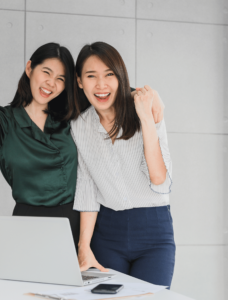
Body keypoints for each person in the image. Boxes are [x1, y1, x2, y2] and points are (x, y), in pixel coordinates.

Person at [71, 42, 175, 288]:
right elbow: (87, 188)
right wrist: (84, 248)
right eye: (91, 76)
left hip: (154, 231)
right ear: (79, 82)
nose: (101, 84)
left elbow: (159, 179)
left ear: (120, 77)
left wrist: (147, 119)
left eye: (109, 74)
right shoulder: (79, 126)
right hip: (107, 234)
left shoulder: (146, 110)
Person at [0, 42, 81, 251]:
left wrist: (138, 96)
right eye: (46, 72)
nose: (51, 83)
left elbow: (105, 97)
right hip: (27, 221)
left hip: (72, 222)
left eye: (60, 79)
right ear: (29, 69)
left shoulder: (70, 117)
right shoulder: (7, 120)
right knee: (27, 283)